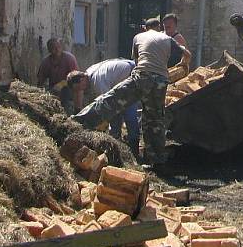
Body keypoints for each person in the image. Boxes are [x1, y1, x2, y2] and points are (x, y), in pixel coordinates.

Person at [71, 18, 191, 169]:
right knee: (154, 121)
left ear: (145, 29)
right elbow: (187, 53)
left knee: (110, 100)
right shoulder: (168, 39)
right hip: (161, 82)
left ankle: (77, 122)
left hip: (142, 76)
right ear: (159, 28)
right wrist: (184, 64)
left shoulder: (138, 37)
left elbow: (136, 61)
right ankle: (157, 162)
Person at [66, 58, 140, 154]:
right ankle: (119, 143)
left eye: (79, 88)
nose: (81, 90)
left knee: (129, 116)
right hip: (127, 66)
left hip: (132, 73)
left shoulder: (98, 83)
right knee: (118, 114)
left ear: (82, 79)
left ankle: (131, 150)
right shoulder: (89, 71)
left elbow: (112, 106)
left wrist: (102, 124)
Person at [37, 37, 78, 112]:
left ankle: (69, 112)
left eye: (58, 47)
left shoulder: (69, 59)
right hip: (53, 87)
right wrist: (40, 92)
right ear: (49, 50)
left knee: (65, 96)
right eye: (54, 48)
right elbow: (40, 80)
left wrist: (62, 84)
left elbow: (76, 77)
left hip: (69, 86)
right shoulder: (46, 62)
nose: (57, 50)